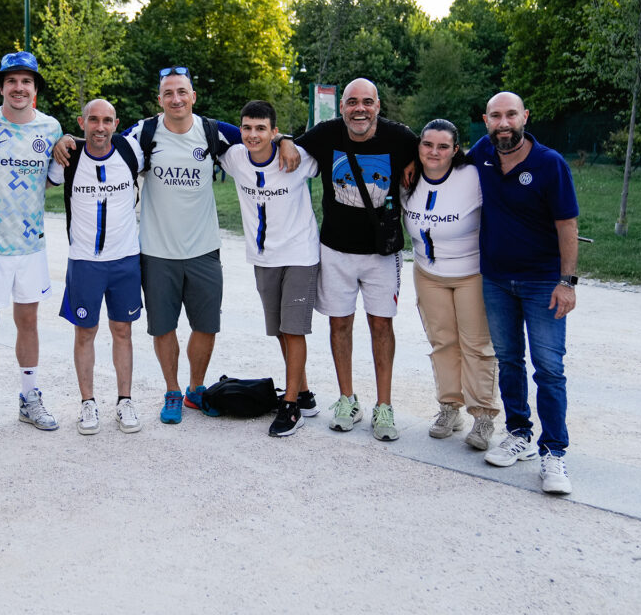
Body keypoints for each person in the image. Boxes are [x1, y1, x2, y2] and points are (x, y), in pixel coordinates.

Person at [54, 66, 299, 424]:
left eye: (182, 92)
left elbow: (258, 135)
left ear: (193, 96)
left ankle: (195, 389)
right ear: (160, 100)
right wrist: (64, 138)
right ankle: (172, 390)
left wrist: (287, 138)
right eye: (168, 93)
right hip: (156, 251)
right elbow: (100, 140)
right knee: (162, 327)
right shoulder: (143, 133)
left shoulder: (212, 131)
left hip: (203, 248)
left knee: (206, 326)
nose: (176, 99)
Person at [296, 78, 418, 441]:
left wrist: (414, 161)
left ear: (378, 105)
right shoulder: (326, 134)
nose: (359, 108)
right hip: (335, 250)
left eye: (366, 102)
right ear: (342, 107)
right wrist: (285, 144)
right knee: (339, 326)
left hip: (382, 253)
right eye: (352, 102)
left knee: (382, 327)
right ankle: (347, 399)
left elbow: (434, 151)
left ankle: (384, 406)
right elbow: (290, 147)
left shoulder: (399, 138)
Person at [473, 92, 579, 495]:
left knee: (549, 369)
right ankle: (519, 433)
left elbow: (567, 227)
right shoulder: (482, 153)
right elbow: (442, 157)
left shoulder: (550, 164)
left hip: (542, 283)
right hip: (496, 279)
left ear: (524, 117)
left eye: (511, 115)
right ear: (486, 121)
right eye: (496, 116)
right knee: (509, 360)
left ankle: (554, 453)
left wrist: (566, 283)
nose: (504, 123)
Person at [0, 52, 63, 443]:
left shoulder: (51, 128)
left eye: (26, 82)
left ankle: (28, 397)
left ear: (34, 89)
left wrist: (66, 142)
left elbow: (52, 180)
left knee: (28, 323)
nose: (19, 88)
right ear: (2, 87)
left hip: (30, 245)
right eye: (11, 82)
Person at [218, 100, 321, 436]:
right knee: (279, 328)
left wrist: (289, 141)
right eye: (247, 127)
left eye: (261, 128)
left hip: (298, 254)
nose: (252, 134)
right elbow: (205, 125)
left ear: (274, 132)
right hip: (263, 258)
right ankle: (303, 393)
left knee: (294, 329)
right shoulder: (234, 157)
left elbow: (325, 147)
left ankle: (290, 407)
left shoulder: (297, 158)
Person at [401, 119, 499, 450]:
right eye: (428, 145)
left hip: (470, 272)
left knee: (476, 345)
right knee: (442, 342)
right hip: (428, 272)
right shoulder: (408, 177)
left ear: (456, 150)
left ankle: (483, 416)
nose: (434, 152)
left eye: (443, 146)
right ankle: (449, 408)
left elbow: (494, 142)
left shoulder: (471, 176)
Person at [47, 99, 144, 435]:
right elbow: (44, 183)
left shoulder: (131, 151)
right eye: (93, 120)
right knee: (85, 333)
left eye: (106, 120)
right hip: (84, 261)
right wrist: (58, 141)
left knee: (123, 331)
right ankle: (88, 403)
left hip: (125, 259)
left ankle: (125, 400)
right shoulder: (68, 156)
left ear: (116, 123)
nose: (100, 127)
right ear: (82, 121)